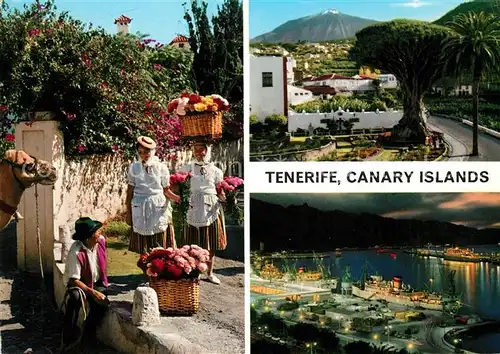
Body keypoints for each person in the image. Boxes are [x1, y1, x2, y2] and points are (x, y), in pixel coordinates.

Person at [180, 141, 227, 285]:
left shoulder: (216, 170)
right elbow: (179, 186)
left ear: (207, 151)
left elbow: (220, 191)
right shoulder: (187, 168)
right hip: (193, 206)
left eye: (202, 150)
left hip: (211, 207)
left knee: (211, 241)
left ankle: (210, 273)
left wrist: (227, 198)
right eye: (196, 149)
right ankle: (194, 271)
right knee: (192, 241)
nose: (199, 153)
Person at [126, 136, 180, 253]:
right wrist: (129, 213)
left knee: (160, 243)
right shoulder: (134, 167)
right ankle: (147, 270)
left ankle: (160, 269)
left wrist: (179, 199)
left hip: (158, 207)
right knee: (143, 246)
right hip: (140, 207)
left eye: (146, 152)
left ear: (153, 151)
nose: (143, 155)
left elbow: (166, 191)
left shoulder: (161, 168)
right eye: (140, 152)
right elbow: (129, 193)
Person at [62, 217, 110, 350]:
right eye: (96, 231)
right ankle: (68, 333)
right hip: (79, 283)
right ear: (88, 237)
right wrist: (92, 292)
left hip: (96, 281)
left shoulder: (100, 242)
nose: (99, 233)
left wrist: (98, 290)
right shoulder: (75, 252)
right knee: (76, 299)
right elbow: (74, 279)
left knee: (101, 304)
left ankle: (87, 335)